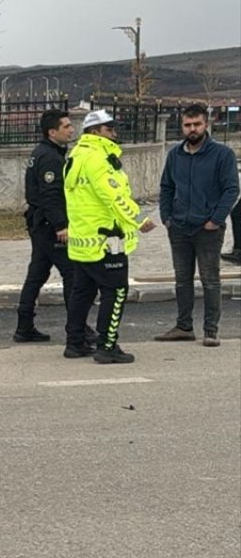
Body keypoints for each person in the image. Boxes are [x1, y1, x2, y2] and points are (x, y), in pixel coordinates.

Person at [62, 110, 156, 364]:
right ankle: (107, 345)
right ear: (95, 132)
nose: (115, 133)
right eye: (109, 128)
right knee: (115, 291)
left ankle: (75, 342)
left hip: (84, 239)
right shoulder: (98, 159)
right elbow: (113, 196)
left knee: (82, 291)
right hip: (107, 239)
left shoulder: (76, 156)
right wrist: (138, 220)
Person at [154, 104, 240, 347]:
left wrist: (216, 219)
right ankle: (183, 326)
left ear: (206, 124)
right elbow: (167, 187)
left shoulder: (222, 154)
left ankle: (211, 330)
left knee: (210, 279)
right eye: (187, 125)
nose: (192, 129)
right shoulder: (175, 154)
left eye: (197, 124)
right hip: (179, 226)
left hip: (208, 229)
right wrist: (166, 217)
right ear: (182, 126)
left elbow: (231, 189)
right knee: (182, 280)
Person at [14, 110, 95, 344]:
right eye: (66, 126)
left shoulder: (46, 152)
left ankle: (24, 325)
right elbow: (50, 195)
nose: (72, 130)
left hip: (40, 223)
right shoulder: (49, 157)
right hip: (49, 225)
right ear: (52, 132)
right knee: (73, 274)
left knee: (37, 273)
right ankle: (77, 327)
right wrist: (61, 225)